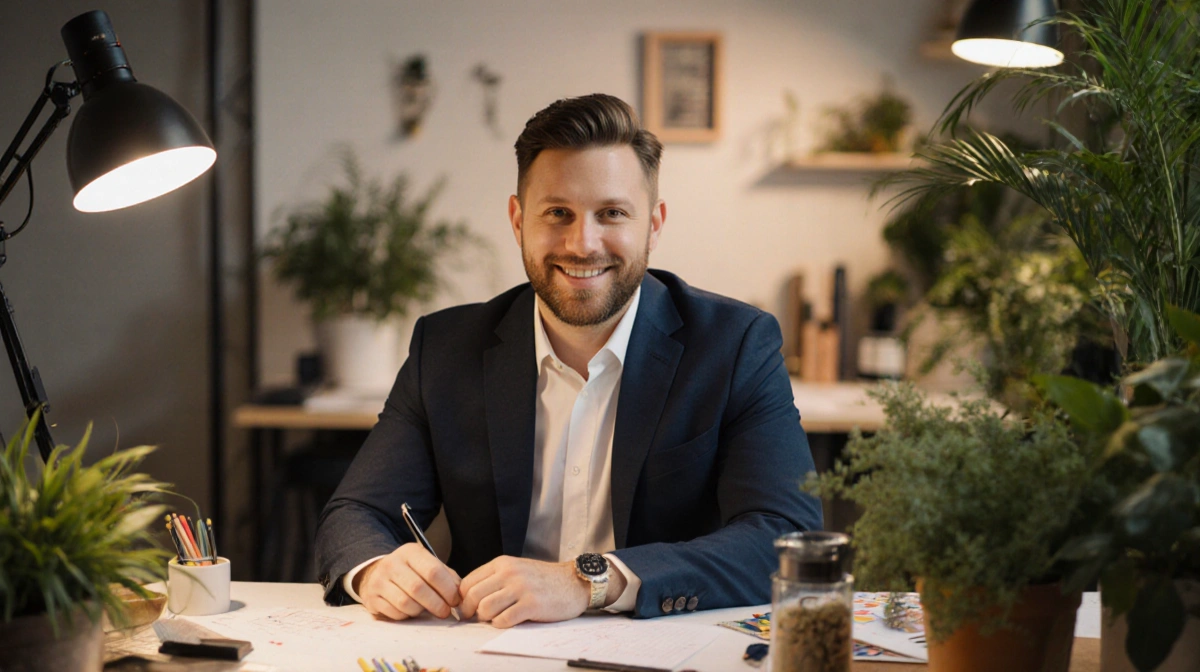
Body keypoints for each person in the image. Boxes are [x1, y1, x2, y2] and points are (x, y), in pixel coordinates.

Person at [314, 93, 822, 626]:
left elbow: (787, 535)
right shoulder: (444, 349)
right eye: (558, 213)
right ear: (518, 221)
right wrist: (377, 571)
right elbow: (355, 515)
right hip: (488, 649)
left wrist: (589, 581)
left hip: (663, 648)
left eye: (612, 214)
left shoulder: (735, 345)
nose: (582, 244)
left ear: (653, 225)